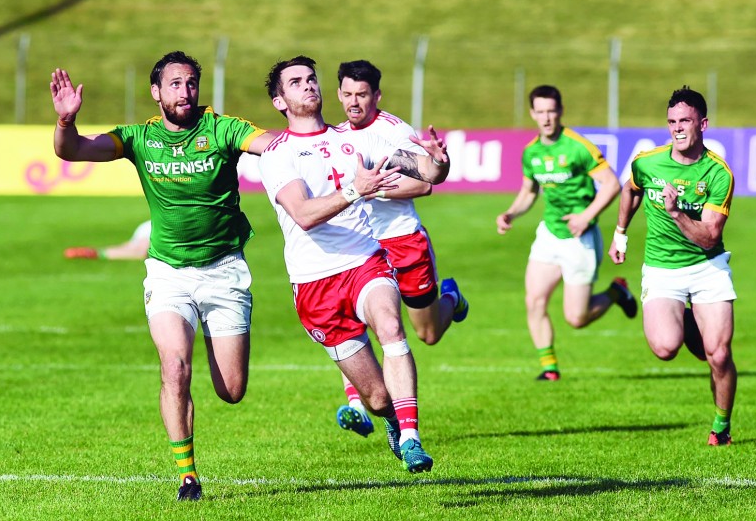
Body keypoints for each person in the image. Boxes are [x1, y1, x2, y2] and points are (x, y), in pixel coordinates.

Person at [50, 51, 275, 500]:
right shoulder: (138, 138)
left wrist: (305, 138)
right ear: (155, 93)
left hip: (224, 271)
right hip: (168, 272)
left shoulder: (222, 129)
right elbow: (73, 151)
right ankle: (187, 475)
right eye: (174, 84)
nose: (184, 92)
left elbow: (269, 143)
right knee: (174, 366)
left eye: (191, 83)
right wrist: (66, 123)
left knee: (231, 390)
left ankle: (193, 457)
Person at [258, 55, 450, 474]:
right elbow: (304, 214)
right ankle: (393, 423)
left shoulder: (356, 139)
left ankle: (414, 439)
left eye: (311, 78)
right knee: (377, 398)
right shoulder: (277, 154)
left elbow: (428, 175)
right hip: (314, 284)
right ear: (279, 100)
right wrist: (353, 190)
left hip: (365, 259)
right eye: (295, 82)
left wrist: (438, 161)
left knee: (392, 326)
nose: (308, 85)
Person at [330, 59, 467, 439]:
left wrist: (378, 188)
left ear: (377, 95)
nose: (354, 102)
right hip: (362, 247)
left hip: (404, 240)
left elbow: (425, 184)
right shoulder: (334, 136)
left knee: (427, 334)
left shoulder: (393, 132)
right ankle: (359, 403)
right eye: (347, 94)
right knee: (363, 320)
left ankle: (452, 300)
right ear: (339, 94)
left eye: (362, 94)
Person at [608, 85, 738, 446]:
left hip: (707, 267)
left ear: (703, 124)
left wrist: (677, 213)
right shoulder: (647, 162)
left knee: (720, 354)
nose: (677, 128)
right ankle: (687, 320)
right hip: (663, 269)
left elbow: (710, 236)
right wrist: (620, 233)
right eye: (672, 121)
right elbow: (630, 189)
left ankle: (721, 427)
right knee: (665, 348)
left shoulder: (717, 174)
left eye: (685, 121)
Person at [495, 85, 637, 382]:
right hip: (549, 235)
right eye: (540, 111)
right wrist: (511, 213)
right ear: (532, 113)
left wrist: (586, 216)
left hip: (580, 240)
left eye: (551, 111)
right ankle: (549, 368)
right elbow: (528, 192)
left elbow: (612, 184)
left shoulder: (577, 147)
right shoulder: (531, 152)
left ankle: (616, 292)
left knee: (577, 318)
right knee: (534, 300)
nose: (546, 117)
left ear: (560, 111)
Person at [64, 219, 151, 260]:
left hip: (150, 227)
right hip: (154, 228)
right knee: (139, 250)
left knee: (131, 247)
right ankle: (94, 253)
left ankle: (94, 252)